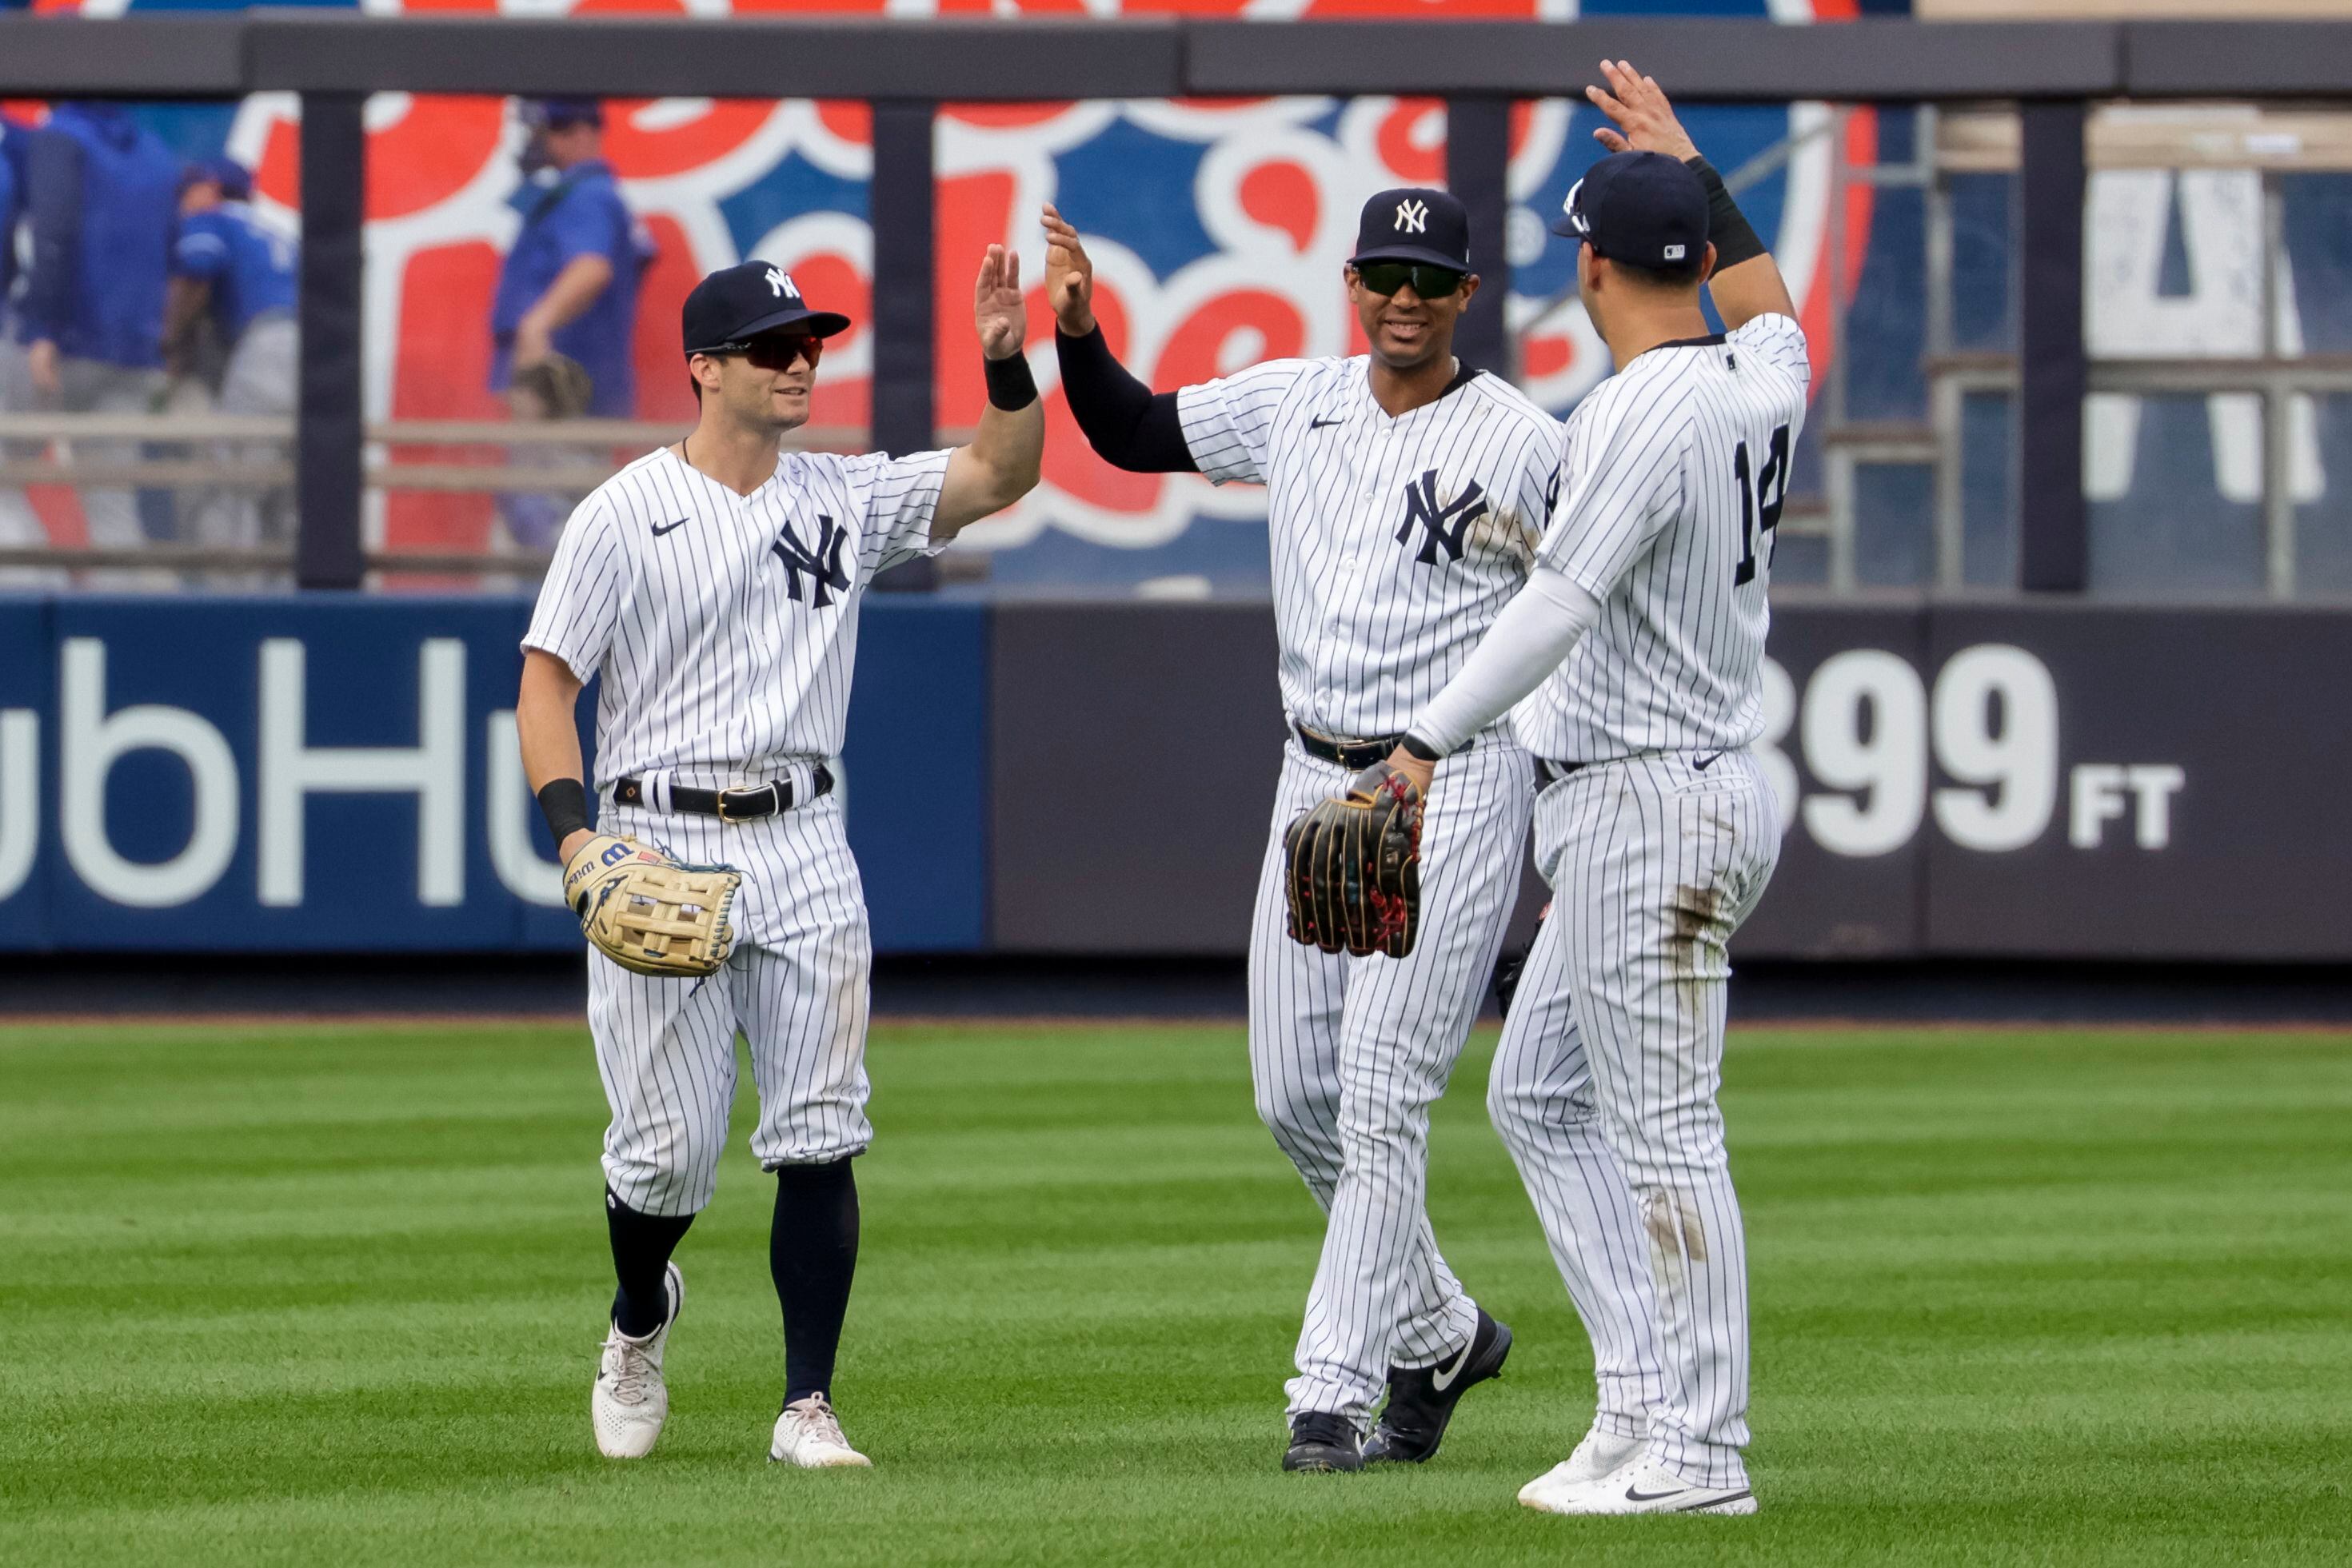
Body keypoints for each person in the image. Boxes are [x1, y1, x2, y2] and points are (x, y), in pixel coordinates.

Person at [1045, 190, 1567, 1472]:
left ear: (1465, 296)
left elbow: (1572, 632)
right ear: (1351, 279)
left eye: (1426, 278)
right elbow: (1125, 432)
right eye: (1382, 272)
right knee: (1296, 1097)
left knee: (1384, 1092)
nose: (1402, 296)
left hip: (1452, 782)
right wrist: (1074, 331)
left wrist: (1553, 834)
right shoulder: (1296, 400)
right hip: (1313, 778)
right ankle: (1441, 1332)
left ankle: (1329, 1392)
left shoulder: (1526, 441)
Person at [514, 250, 1043, 1468]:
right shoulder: (623, 512)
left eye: (810, 343)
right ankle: (640, 1314)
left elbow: (997, 470)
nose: (800, 361)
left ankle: (807, 1403)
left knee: (819, 1128)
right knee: (662, 1156)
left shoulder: (842, 495)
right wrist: (576, 833)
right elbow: (548, 681)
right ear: (705, 368)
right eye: (772, 346)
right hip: (658, 830)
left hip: (804, 835)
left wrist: (1007, 356)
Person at [1376, 62, 1810, 1516]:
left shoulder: (1645, 411)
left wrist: (1425, 737)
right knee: (1540, 1095)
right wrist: (1696, 167)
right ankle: (1640, 1407)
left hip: (1646, 799)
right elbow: (1777, 311)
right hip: (1679, 784)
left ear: (1590, 263)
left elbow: (1558, 607)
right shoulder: (1758, 375)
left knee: (1668, 1132)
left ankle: (1704, 1452)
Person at [15, 102, 180, 557]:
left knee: (5, 484)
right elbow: (173, 249)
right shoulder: (156, 151)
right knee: (113, 505)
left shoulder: (63, 135)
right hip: (134, 352)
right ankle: (129, 625)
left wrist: (43, 327)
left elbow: (54, 231)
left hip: (65, 343)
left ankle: (21, 615)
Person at [166, 157, 297, 557]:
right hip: (322, 356)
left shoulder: (213, 219)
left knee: (232, 485)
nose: (181, 202)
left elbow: (196, 273)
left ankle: (233, 603)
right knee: (287, 492)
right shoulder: (278, 231)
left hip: (269, 347)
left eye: (186, 191)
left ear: (210, 190)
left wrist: (167, 340)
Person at [490, 98, 651, 420]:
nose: (533, 142)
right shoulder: (583, 194)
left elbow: (591, 268)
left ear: (577, 134)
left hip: (567, 401)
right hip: (567, 396)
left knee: (557, 466)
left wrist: (536, 327)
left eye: (541, 131)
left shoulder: (588, 195)